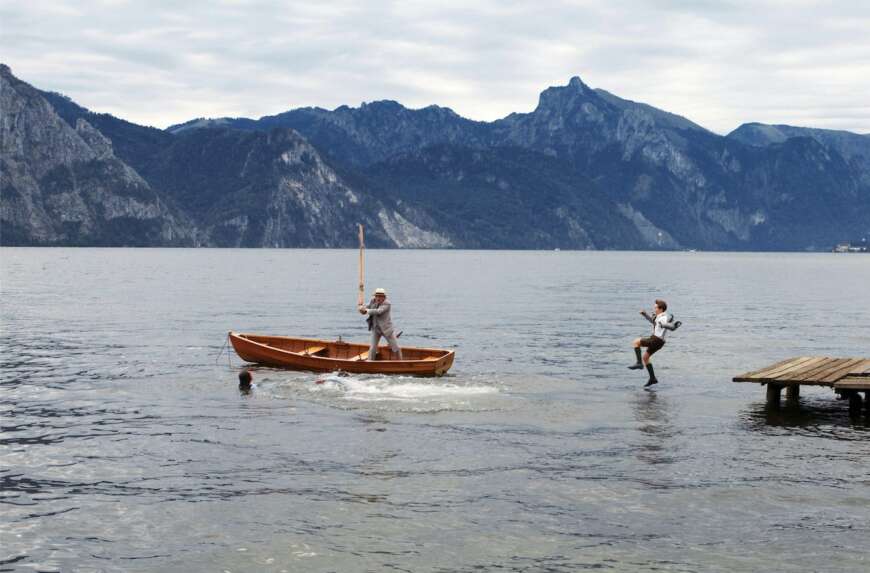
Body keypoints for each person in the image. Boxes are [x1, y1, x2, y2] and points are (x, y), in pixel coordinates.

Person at [628, 299, 681, 387]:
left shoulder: (663, 317)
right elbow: (653, 322)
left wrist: (671, 326)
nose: (654, 309)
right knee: (646, 358)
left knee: (636, 342)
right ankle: (652, 378)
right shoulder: (659, 316)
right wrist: (645, 314)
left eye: (655, 308)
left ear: (661, 309)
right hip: (660, 341)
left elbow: (666, 325)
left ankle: (639, 363)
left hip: (656, 339)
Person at [358, 287, 403, 360]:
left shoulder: (387, 304)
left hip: (386, 329)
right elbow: (366, 308)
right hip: (376, 329)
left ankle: (401, 362)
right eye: (377, 296)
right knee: (372, 348)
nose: (378, 298)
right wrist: (361, 308)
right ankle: (370, 362)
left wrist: (366, 310)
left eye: (380, 296)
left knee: (396, 348)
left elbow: (378, 311)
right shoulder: (372, 301)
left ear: (384, 297)